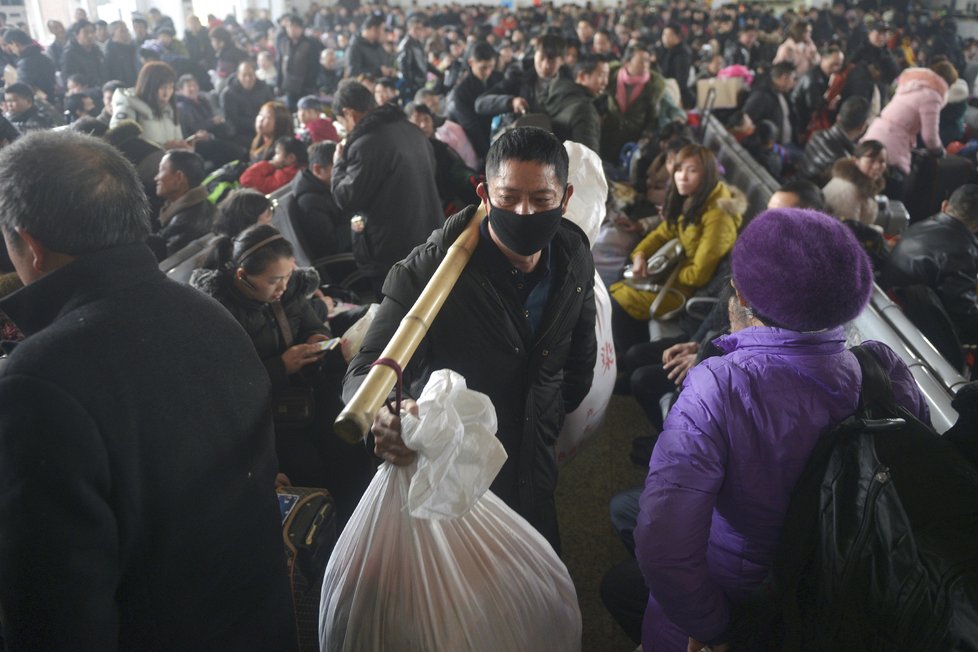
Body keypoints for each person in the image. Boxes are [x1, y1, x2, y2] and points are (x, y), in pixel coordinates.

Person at [0, 129, 294, 650]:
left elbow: (56, 610)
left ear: (31, 244)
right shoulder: (209, 314)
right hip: (257, 623)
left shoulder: (39, 381)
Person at [634, 208, 930, 652]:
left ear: (742, 297)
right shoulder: (882, 370)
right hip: (842, 609)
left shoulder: (721, 385)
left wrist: (716, 629)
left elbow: (664, 545)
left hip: (739, 607)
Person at [345, 126, 597, 551]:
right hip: (457, 474)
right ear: (483, 194)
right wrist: (387, 414)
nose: (523, 212)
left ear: (566, 198)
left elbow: (579, 351)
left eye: (542, 200)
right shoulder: (428, 274)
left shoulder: (574, 254)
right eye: (507, 198)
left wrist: (551, 415)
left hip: (535, 459)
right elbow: (364, 373)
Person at [190, 223, 373, 524]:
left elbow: (313, 321)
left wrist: (317, 337)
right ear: (242, 277)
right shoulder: (218, 315)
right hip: (270, 419)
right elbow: (225, 384)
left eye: (288, 277)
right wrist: (280, 366)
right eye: (274, 281)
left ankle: (364, 525)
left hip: (308, 396)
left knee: (350, 451)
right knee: (311, 471)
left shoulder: (288, 293)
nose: (284, 287)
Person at [609, 144, 744, 355]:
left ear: (707, 174)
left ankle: (623, 361)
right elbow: (664, 232)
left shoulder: (718, 216)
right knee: (618, 289)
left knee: (618, 302)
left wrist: (670, 269)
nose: (682, 177)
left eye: (692, 171)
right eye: (680, 170)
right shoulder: (693, 199)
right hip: (672, 280)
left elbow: (698, 275)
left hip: (684, 291)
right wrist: (640, 255)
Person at [330, 80, 442, 295]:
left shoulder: (366, 145)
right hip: (428, 236)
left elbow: (346, 198)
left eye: (342, 122)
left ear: (349, 114)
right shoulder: (410, 129)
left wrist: (338, 163)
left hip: (393, 252)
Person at [883, 184, 978, 345]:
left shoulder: (918, 225)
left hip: (890, 311)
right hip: (917, 333)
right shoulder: (963, 252)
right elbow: (963, 315)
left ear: (945, 206)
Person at [861, 62, 957, 177]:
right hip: (893, 141)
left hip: (877, 131)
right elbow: (930, 136)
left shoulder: (912, 83)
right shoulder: (932, 95)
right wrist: (940, 152)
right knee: (894, 185)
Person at [475, 34, 568, 130]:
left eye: (551, 61)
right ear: (535, 54)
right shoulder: (519, 76)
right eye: (541, 58)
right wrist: (511, 102)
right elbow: (481, 103)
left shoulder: (569, 83)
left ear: (562, 60)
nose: (545, 65)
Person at [405, 101, 479, 215]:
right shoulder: (408, 158)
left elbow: (457, 170)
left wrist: (472, 179)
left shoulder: (440, 148)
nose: (423, 125)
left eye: (426, 119)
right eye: (417, 121)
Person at [600, 42, 667, 163]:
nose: (646, 65)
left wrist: (645, 138)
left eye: (647, 61)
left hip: (632, 140)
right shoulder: (611, 76)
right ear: (627, 62)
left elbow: (652, 118)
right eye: (641, 61)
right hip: (606, 135)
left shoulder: (652, 86)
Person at [111, 61, 189, 150]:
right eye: (163, 88)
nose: (167, 93)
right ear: (149, 86)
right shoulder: (128, 107)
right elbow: (120, 146)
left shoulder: (169, 110)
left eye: (170, 87)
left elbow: (177, 139)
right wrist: (162, 148)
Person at [151, 149, 215, 257]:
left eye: (161, 170)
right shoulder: (206, 205)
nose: (156, 177)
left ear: (179, 177)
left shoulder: (182, 225)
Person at [290, 140, 348, 258]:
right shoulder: (309, 202)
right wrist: (357, 220)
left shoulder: (325, 187)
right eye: (338, 167)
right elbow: (331, 246)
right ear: (318, 170)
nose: (346, 172)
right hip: (344, 260)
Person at [447, 41, 503, 164]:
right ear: (471, 62)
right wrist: (488, 154)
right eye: (483, 67)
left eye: (491, 66)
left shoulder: (500, 78)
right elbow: (471, 126)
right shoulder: (461, 91)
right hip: (481, 145)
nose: (488, 72)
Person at [542, 54, 609, 155]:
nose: (605, 82)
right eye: (601, 75)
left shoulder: (556, 91)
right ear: (582, 76)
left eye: (607, 76)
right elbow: (589, 162)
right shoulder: (585, 110)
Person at [797, 96, 870, 186]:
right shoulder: (844, 160)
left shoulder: (817, 135)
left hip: (799, 186)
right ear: (862, 127)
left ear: (838, 117)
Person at [823, 139, 886, 225]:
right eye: (871, 161)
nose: (877, 166)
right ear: (855, 161)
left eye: (882, 161)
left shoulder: (861, 183)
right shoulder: (850, 191)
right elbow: (849, 230)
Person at [790, 44, 844, 138]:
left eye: (839, 65)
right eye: (833, 64)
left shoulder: (822, 74)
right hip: (798, 122)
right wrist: (829, 103)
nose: (836, 68)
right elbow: (814, 105)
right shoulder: (814, 80)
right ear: (823, 59)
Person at [221, 61, 275, 150]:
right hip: (242, 132)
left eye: (251, 75)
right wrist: (257, 124)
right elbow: (232, 119)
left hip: (264, 126)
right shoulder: (228, 93)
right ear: (238, 75)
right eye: (244, 75)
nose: (248, 79)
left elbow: (272, 106)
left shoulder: (263, 87)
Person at [743, 62, 798, 150]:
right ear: (784, 78)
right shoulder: (761, 96)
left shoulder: (781, 92)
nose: (794, 82)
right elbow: (746, 122)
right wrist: (766, 146)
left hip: (784, 144)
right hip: (772, 148)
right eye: (793, 78)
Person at [276, 16, 322, 109]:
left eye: (295, 27)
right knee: (291, 111)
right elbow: (280, 64)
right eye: (289, 27)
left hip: (305, 87)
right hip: (288, 86)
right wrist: (279, 84)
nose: (291, 29)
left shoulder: (310, 43)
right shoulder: (283, 42)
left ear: (301, 28)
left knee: (305, 111)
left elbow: (314, 67)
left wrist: (310, 84)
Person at [240, 136, 307, 194]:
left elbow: (247, 179)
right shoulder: (300, 170)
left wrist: (269, 164)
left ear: (291, 158)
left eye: (277, 153)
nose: (274, 157)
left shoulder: (287, 175)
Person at [3, 29, 57, 100]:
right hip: (51, 98)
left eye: (9, 46)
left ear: (14, 43)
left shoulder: (25, 63)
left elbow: (22, 89)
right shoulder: (43, 57)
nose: (12, 51)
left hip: (38, 103)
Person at [658, 23, 694, 109]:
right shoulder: (667, 50)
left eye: (667, 35)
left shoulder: (681, 55)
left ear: (677, 36)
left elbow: (681, 81)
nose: (664, 38)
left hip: (676, 96)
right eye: (663, 34)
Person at [62, 19, 106, 88]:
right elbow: (69, 80)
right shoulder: (69, 54)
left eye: (92, 32)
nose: (90, 35)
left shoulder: (97, 51)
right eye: (86, 32)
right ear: (76, 34)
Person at [346, 13, 390, 79]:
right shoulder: (354, 47)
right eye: (382, 29)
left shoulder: (377, 44)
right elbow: (353, 73)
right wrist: (378, 71)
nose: (384, 33)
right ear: (373, 29)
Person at [104, 21, 138, 87]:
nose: (126, 32)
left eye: (126, 30)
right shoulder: (109, 53)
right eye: (122, 31)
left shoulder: (133, 48)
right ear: (112, 33)